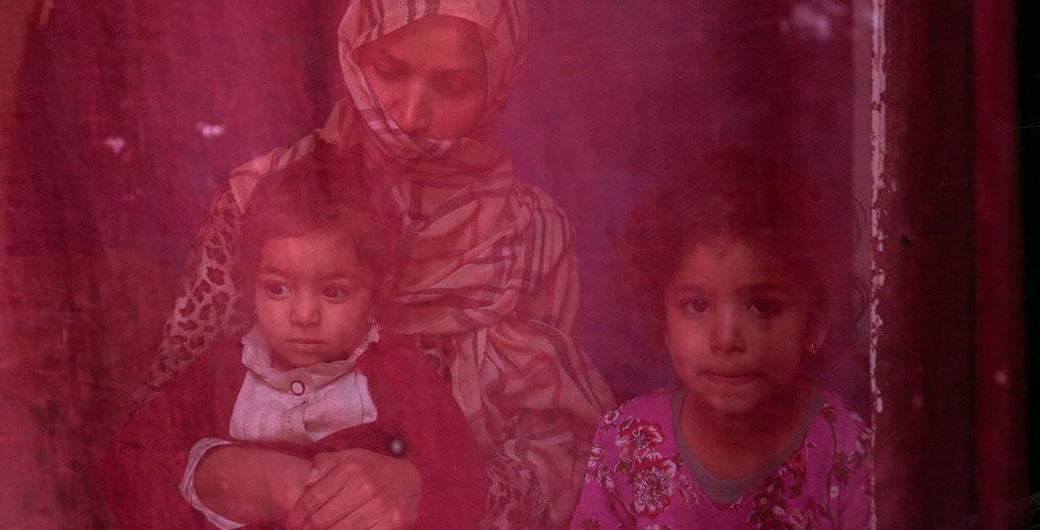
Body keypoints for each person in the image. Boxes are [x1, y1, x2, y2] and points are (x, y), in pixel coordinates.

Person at [130, 1, 614, 526]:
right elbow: (156, 429)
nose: (409, 116)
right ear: (353, 55)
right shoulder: (263, 198)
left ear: (498, 85)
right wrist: (226, 472)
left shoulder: (531, 237)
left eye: (451, 87)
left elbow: (561, 458)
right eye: (388, 72)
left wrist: (423, 488)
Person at [101, 146, 487, 529]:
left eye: (333, 292)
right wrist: (210, 471)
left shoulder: (399, 371)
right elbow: (128, 466)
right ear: (250, 283)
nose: (304, 316)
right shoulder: (217, 374)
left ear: (377, 290)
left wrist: (411, 489)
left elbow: (462, 483)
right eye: (278, 289)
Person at [570, 155, 872, 529]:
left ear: (815, 325)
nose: (726, 338)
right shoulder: (626, 442)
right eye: (697, 306)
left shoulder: (848, 454)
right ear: (663, 322)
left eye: (762, 306)